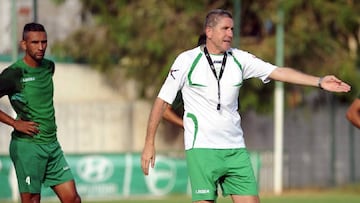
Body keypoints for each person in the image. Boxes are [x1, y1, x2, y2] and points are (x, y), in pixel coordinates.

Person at [141, 9, 351, 203]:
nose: (230, 33)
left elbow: (278, 72)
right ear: (209, 32)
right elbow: (162, 102)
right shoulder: (186, 60)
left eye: (232, 29)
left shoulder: (239, 58)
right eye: (225, 28)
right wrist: (149, 142)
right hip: (202, 150)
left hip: (235, 149)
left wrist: (319, 81)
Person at [0, 23, 81, 203]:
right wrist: (14, 123)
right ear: (24, 45)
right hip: (28, 147)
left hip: (52, 145)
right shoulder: (14, 73)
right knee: (33, 200)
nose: (41, 47)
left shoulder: (48, 67)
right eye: (35, 42)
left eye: (44, 42)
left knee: (73, 199)